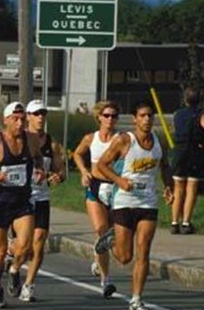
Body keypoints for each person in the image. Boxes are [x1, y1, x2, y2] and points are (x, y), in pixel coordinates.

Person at [94, 100, 174, 310]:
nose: (147, 119)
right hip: (124, 201)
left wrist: (169, 186)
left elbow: (165, 166)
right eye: (143, 115)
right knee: (124, 257)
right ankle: (111, 241)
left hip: (148, 201)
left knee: (144, 250)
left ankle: (136, 299)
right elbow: (102, 164)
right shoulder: (124, 140)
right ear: (135, 119)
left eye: (150, 116)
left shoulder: (159, 142)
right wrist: (119, 181)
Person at [0, 101, 44, 309]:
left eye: (22, 119)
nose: (20, 123)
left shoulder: (31, 139)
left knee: (26, 245)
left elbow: (38, 158)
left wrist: (39, 170)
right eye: (15, 119)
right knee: (0, 251)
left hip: (22, 200)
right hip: (0, 201)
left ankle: (14, 270)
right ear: (6, 120)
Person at [17, 99, 65, 302]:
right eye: (36, 114)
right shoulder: (18, 140)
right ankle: (13, 265)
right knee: (22, 246)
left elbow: (60, 170)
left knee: (38, 242)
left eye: (43, 114)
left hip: (42, 198)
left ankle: (28, 285)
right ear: (27, 116)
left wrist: (58, 176)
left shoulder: (50, 143)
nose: (40, 118)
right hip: (19, 199)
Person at [73, 100, 121, 298]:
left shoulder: (122, 139)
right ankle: (106, 281)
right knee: (102, 233)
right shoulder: (90, 138)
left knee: (113, 235)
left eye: (114, 116)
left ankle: (98, 259)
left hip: (116, 189)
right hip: (95, 189)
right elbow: (77, 154)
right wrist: (84, 171)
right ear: (99, 117)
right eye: (107, 115)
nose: (110, 119)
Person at [169, 87, 204, 234]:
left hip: (179, 151)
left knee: (178, 188)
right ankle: (186, 222)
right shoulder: (200, 115)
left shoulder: (177, 114)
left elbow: (174, 130)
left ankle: (174, 222)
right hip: (194, 152)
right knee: (191, 189)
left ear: (185, 99)